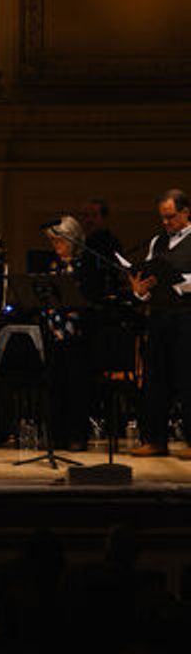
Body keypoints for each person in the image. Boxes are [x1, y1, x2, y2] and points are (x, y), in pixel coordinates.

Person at [128, 189, 191, 457]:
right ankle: (155, 439)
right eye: (163, 218)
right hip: (159, 316)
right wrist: (139, 290)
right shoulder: (157, 241)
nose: (166, 223)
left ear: (186, 212)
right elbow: (150, 278)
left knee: (187, 378)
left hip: (186, 316)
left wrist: (179, 283)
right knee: (155, 379)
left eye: (171, 217)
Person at [38, 216, 105, 452]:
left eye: (60, 241)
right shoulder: (54, 265)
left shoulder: (86, 265)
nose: (56, 246)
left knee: (77, 387)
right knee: (55, 386)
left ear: (73, 240)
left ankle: (77, 435)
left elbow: (92, 299)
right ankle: (57, 436)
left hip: (78, 335)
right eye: (53, 241)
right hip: (55, 332)